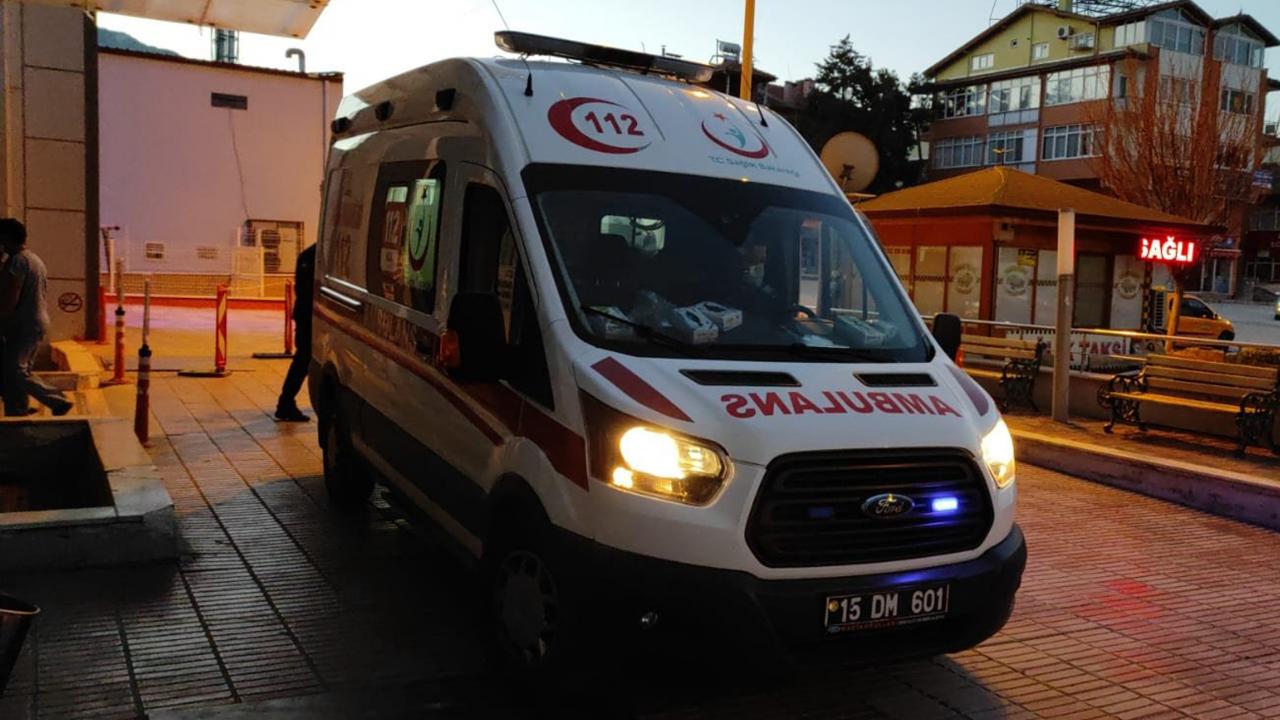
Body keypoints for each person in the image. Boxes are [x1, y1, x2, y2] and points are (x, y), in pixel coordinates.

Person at [0, 219, 72, 417]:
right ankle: (17, 411)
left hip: (24, 324)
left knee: (15, 371)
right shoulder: (34, 259)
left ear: (7, 238)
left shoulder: (17, 262)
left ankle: (57, 400)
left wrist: (2, 321)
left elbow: (10, 298)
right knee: (15, 371)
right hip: (35, 321)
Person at [275, 242, 316, 422]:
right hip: (310, 318)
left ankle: (286, 402)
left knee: (302, 360)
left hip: (306, 316)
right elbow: (307, 292)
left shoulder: (308, 255)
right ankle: (285, 402)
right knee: (303, 360)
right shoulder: (314, 256)